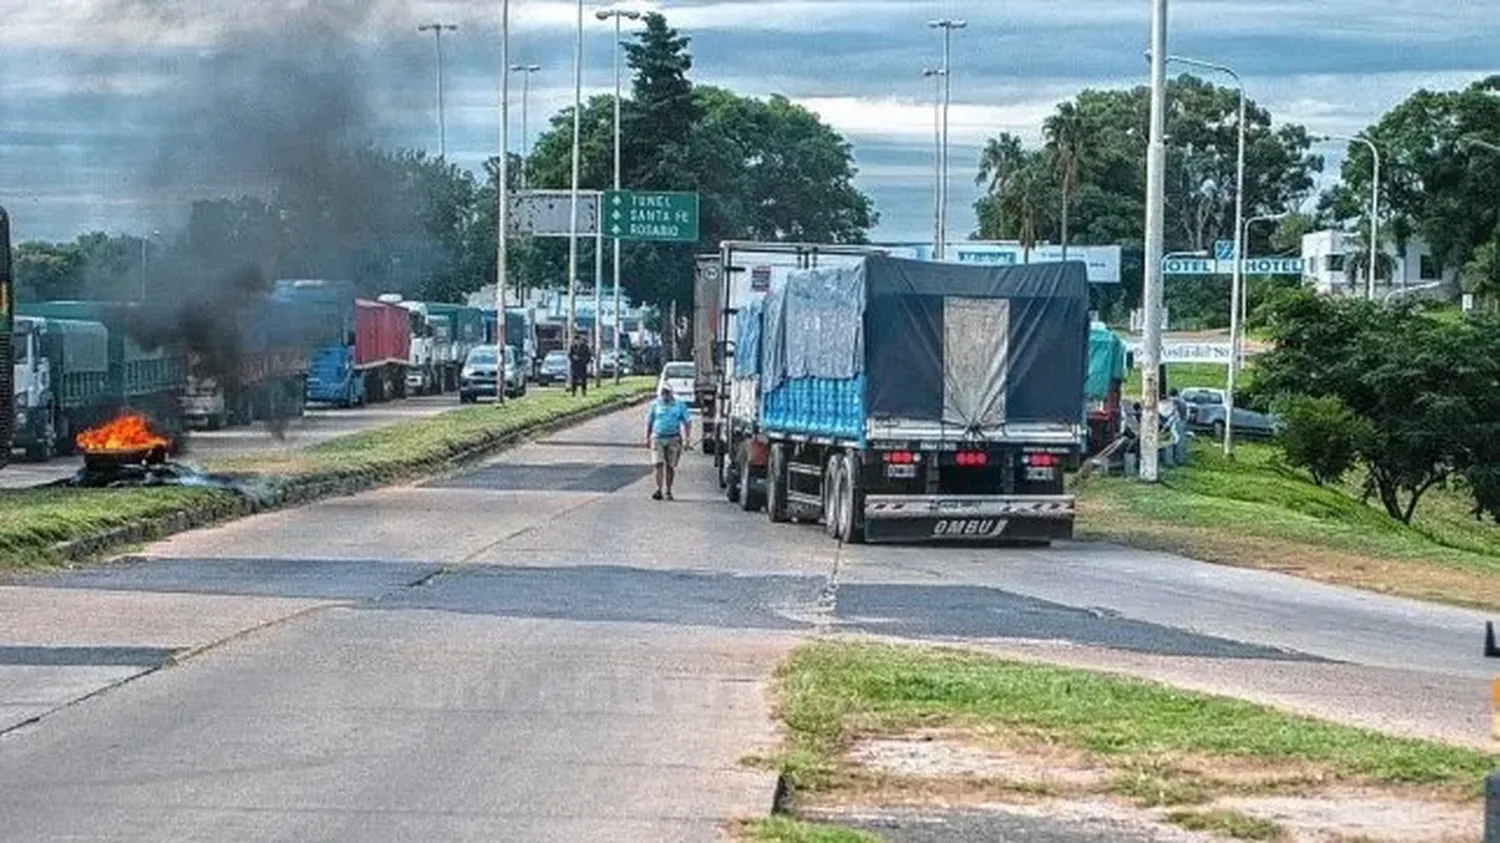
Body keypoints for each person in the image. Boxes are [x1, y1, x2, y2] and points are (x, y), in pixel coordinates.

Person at [645, 384, 692, 501]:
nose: (665, 395)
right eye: (663, 393)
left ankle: (669, 490)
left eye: (667, 393)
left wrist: (687, 438)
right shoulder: (655, 404)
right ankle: (659, 489)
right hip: (658, 437)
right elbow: (649, 421)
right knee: (658, 464)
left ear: (672, 393)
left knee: (670, 466)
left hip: (673, 438)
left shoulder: (679, 405)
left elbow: (687, 421)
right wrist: (647, 437)